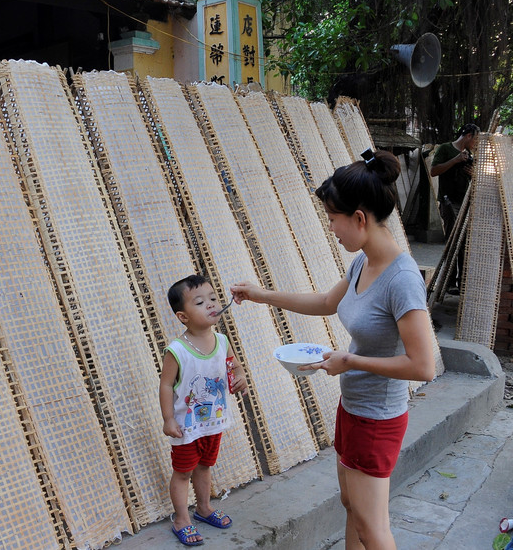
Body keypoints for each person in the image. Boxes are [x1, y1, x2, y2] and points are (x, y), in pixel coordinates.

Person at [231, 149, 435, 550]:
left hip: (377, 420)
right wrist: (260, 295)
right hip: (354, 408)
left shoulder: (403, 279)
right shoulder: (363, 262)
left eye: (332, 218)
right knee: (352, 507)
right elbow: (327, 303)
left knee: (373, 526)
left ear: (359, 218)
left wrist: (351, 361)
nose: (331, 228)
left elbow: (423, 366)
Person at [160, 274, 247, 547]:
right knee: (183, 473)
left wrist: (241, 377)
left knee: (206, 466)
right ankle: (181, 519)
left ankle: (204, 508)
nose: (211, 305)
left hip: (212, 423)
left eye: (213, 298)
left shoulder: (221, 341)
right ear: (183, 317)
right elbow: (165, 386)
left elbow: (234, 366)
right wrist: (168, 419)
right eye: (200, 302)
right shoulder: (177, 350)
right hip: (186, 427)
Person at [430, 123, 479, 292]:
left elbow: (473, 180)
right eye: (475, 139)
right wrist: (455, 160)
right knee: (452, 241)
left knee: (464, 243)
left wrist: (472, 174)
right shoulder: (445, 149)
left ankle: (461, 283)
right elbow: (434, 171)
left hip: (464, 203)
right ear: (468, 136)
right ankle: (449, 283)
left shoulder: (470, 155)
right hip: (448, 202)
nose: (475, 143)